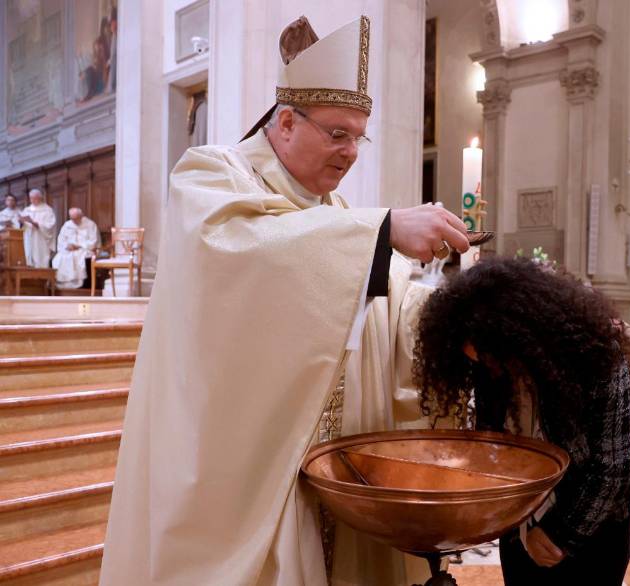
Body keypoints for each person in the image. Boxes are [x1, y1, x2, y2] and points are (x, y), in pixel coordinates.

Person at [100, 16, 469, 586]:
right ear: (288, 120)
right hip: (247, 467)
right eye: (338, 134)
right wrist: (382, 229)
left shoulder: (339, 216)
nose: (351, 154)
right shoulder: (212, 174)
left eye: (359, 137)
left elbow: (386, 311)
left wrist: (454, 315)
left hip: (332, 468)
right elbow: (236, 258)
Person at [412, 257, 630, 585]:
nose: (487, 368)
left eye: (491, 357)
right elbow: (493, 445)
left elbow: (611, 470)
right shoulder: (487, 360)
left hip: (594, 523)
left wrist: (562, 535)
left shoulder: (596, 358)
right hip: (523, 523)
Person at [52, 208, 100, 289]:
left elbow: (93, 241)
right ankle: (64, 283)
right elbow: (61, 240)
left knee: (78, 257)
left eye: (76, 218)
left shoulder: (90, 224)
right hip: (69, 249)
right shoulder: (67, 225)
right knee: (59, 257)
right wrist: (67, 246)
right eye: (72, 218)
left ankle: (80, 284)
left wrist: (79, 246)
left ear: (81, 216)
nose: (74, 221)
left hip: (84, 249)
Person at [20, 188, 56, 268]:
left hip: (41, 239)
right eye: (31, 198)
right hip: (29, 238)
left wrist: (38, 225)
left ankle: (42, 279)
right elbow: (22, 225)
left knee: (40, 259)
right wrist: (21, 222)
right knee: (29, 257)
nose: (32, 200)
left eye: (34, 198)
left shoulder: (47, 210)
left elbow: (51, 225)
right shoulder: (27, 210)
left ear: (40, 198)